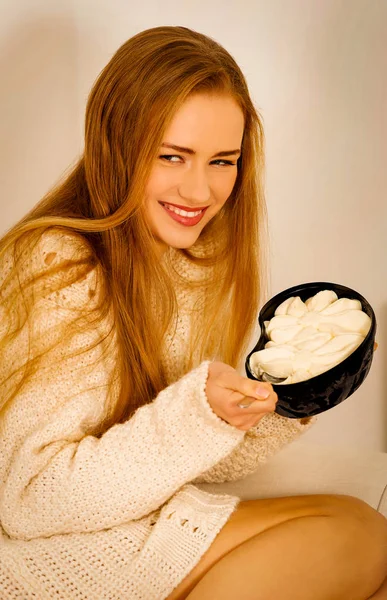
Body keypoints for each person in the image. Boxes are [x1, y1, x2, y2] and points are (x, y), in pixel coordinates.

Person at [0, 24, 386, 600]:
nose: (199, 191)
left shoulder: (186, 258)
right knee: (360, 536)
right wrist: (193, 414)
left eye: (222, 161)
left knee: (362, 535)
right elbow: (29, 502)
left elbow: (172, 461)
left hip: (120, 518)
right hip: (39, 551)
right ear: (116, 146)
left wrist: (284, 400)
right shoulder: (60, 264)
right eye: (172, 156)